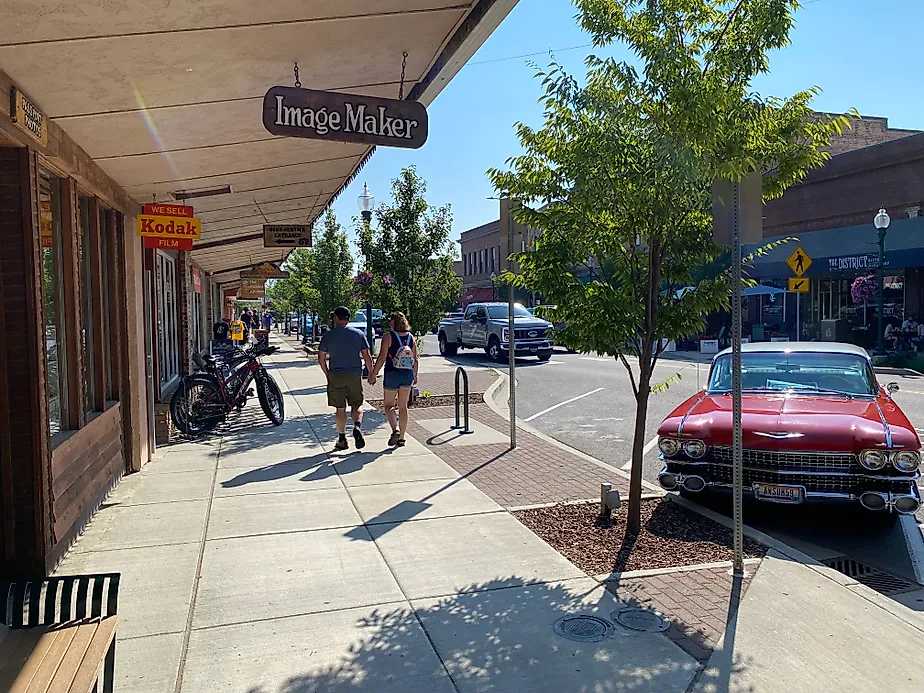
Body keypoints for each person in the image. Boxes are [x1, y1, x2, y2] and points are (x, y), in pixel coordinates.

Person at [318, 306, 375, 451]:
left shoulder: (328, 336)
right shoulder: (358, 334)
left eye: (334, 317)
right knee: (357, 404)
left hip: (336, 375)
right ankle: (357, 426)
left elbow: (321, 358)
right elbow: (367, 356)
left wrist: (327, 373)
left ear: (337, 318)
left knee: (340, 409)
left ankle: (342, 438)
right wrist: (371, 373)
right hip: (354, 374)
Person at [369, 312, 418, 447]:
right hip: (407, 374)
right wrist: (415, 375)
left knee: (389, 405)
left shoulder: (388, 337)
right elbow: (415, 358)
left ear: (392, 323)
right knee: (403, 407)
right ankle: (402, 438)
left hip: (392, 373)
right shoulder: (410, 337)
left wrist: (373, 374)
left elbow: (382, 357)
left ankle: (395, 429)